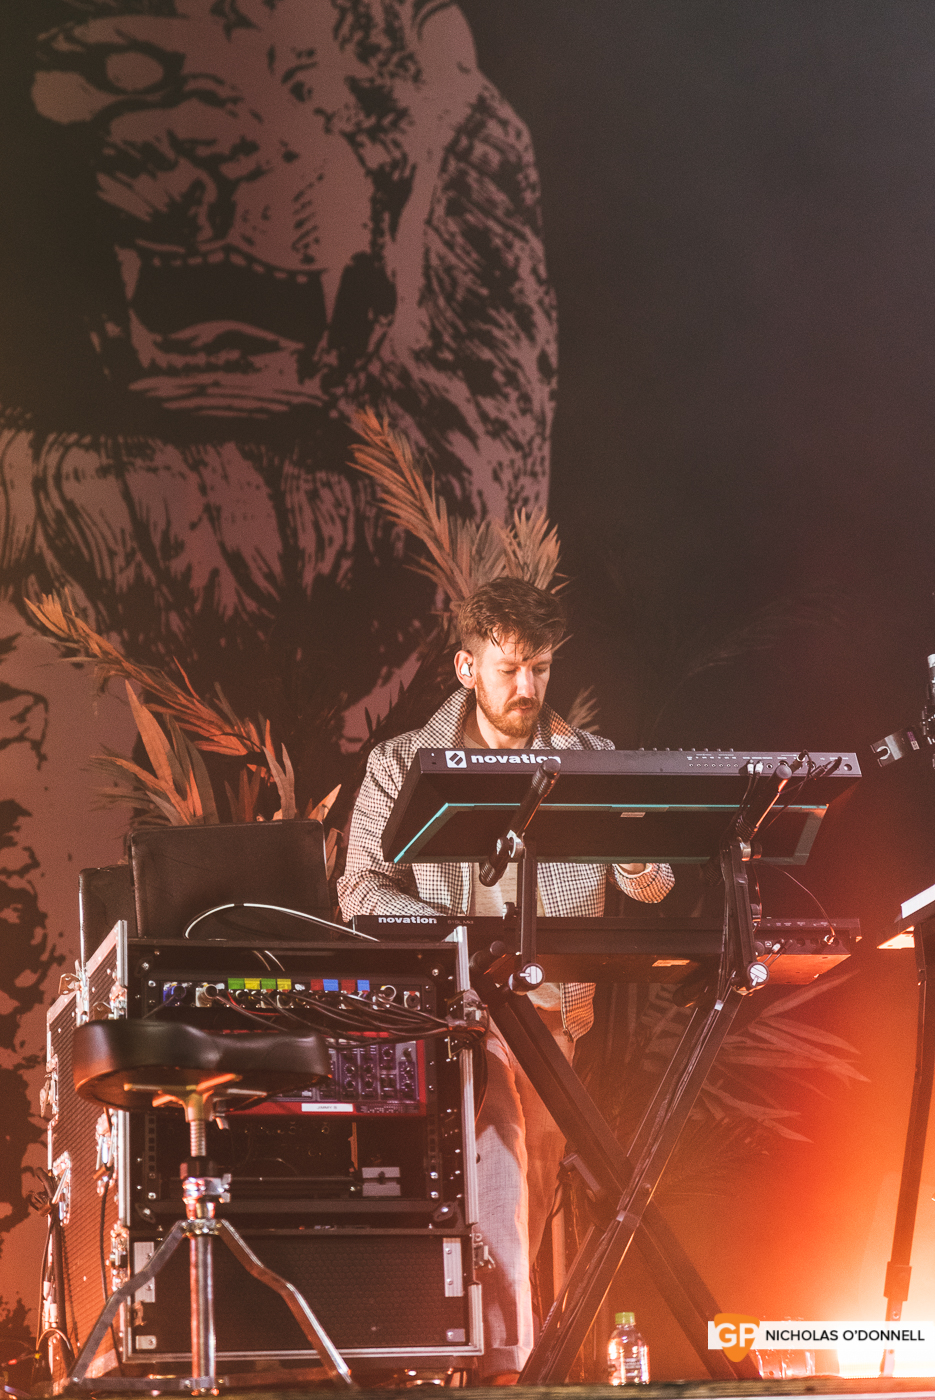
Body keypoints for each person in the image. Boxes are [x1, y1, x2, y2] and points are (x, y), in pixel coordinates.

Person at [338, 578, 674, 1382]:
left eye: (541, 669)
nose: (527, 688)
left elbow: (655, 884)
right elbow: (358, 892)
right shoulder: (401, 764)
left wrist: (616, 827)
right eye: (510, 668)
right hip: (459, 1010)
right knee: (500, 1144)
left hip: (555, 1017)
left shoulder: (589, 759)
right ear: (466, 667)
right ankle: (508, 1366)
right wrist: (461, 939)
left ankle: (525, 1358)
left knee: (530, 1186)